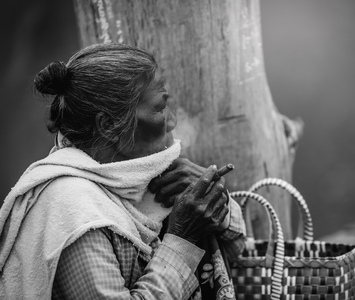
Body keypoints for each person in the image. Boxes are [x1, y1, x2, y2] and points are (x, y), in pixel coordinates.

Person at [0, 43, 245, 299]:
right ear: (108, 125)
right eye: (160, 108)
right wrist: (184, 238)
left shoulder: (138, 181)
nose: (171, 121)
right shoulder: (74, 211)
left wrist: (215, 202)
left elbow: (239, 251)